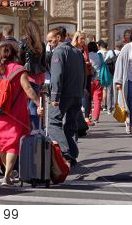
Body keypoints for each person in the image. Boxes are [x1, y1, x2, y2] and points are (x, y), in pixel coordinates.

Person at [0, 42, 42, 186]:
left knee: (3, 144)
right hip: (15, 113)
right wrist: (38, 103)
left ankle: (7, 174)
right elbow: (28, 89)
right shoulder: (19, 70)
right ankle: (7, 175)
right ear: (15, 55)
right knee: (12, 143)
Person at [48, 27, 86, 166]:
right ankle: (73, 155)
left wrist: (54, 96)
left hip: (64, 94)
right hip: (77, 94)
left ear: (58, 38)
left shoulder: (59, 51)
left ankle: (66, 152)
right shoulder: (77, 52)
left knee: (53, 122)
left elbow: (57, 76)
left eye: (51, 41)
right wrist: (81, 92)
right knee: (71, 125)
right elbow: (83, 74)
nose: (50, 44)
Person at [114, 24, 132, 137]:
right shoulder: (128, 48)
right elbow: (120, 64)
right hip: (131, 80)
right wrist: (118, 81)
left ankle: (129, 118)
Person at [19, 20, 46, 130]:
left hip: (26, 75)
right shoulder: (41, 44)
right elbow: (43, 62)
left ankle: (33, 128)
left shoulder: (23, 42)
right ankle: (37, 127)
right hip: (38, 76)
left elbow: (19, 60)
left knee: (29, 104)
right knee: (35, 102)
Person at [72, 31, 94, 126]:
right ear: (76, 39)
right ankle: (77, 117)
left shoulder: (85, 48)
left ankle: (86, 117)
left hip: (86, 73)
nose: (83, 40)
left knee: (88, 95)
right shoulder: (72, 48)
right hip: (76, 74)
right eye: (81, 38)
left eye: (84, 38)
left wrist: (88, 63)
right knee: (78, 95)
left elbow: (87, 59)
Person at [87, 42, 103, 123]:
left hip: (89, 79)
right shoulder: (100, 56)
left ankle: (88, 115)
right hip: (98, 79)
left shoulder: (87, 56)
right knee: (97, 99)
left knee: (88, 98)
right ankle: (96, 117)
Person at [105, 41, 122, 113]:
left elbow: (105, 61)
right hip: (118, 74)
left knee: (109, 91)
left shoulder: (110, 52)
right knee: (117, 92)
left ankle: (109, 109)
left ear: (115, 46)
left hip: (110, 74)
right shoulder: (122, 53)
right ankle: (116, 107)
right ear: (121, 47)